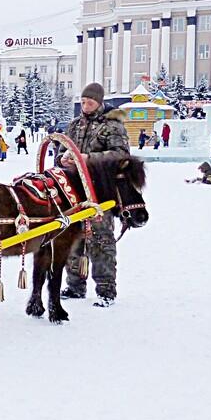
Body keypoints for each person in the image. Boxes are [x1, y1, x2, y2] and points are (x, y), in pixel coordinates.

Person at [57, 83, 129, 307]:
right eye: (84, 101)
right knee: (73, 238)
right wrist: (62, 159)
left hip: (100, 190)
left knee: (100, 240)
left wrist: (89, 158)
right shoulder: (74, 125)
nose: (85, 106)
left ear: (99, 102)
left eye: (90, 102)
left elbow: (121, 155)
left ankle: (106, 290)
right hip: (74, 190)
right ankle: (75, 285)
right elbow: (61, 151)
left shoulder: (112, 125)